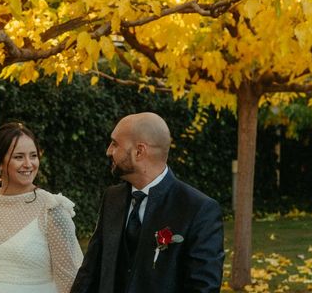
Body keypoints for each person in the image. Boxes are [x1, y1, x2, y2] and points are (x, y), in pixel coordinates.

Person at [70, 112, 224, 293]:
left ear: (139, 151)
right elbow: (90, 271)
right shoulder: (112, 197)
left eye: (115, 144)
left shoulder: (198, 209)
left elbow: (203, 288)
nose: (108, 151)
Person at [0, 122, 83, 293]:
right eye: (19, 157)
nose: (29, 164)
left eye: (33, 156)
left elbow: (70, 281)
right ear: (0, 162)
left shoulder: (52, 209)